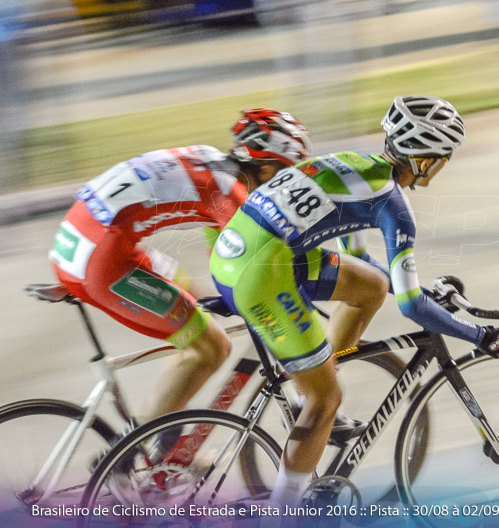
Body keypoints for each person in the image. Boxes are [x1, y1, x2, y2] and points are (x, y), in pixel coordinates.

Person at [209, 95, 499, 507]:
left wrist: (422, 291)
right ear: (424, 159)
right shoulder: (393, 205)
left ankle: (311, 393)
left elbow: (362, 262)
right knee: (326, 398)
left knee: (369, 286)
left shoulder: (355, 163)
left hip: (240, 250)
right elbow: (410, 308)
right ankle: (283, 510)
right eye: (442, 157)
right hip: (262, 272)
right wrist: (479, 335)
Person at [48, 109, 311, 426]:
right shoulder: (235, 194)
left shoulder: (214, 164)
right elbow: (264, 263)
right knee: (212, 347)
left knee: (196, 304)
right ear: (267, 170)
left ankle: (166, 434)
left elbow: (223, 244)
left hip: (82, 239)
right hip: (99, 258)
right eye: (287, 176)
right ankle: (139, 454)